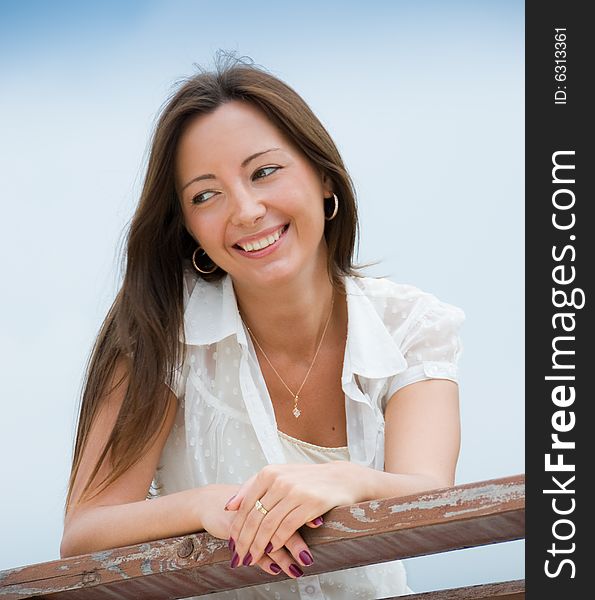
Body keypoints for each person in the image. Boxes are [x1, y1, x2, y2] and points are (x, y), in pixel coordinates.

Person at [61, 53, 465, 599]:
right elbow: (85, 531)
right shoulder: (161, 332)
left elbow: (428, 492)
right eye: (206, 195)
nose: (247, 210)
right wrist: (208, 505)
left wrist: (343, 481)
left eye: (264, 172)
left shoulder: (412, 325)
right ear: (189, 228)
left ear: (325, 179)